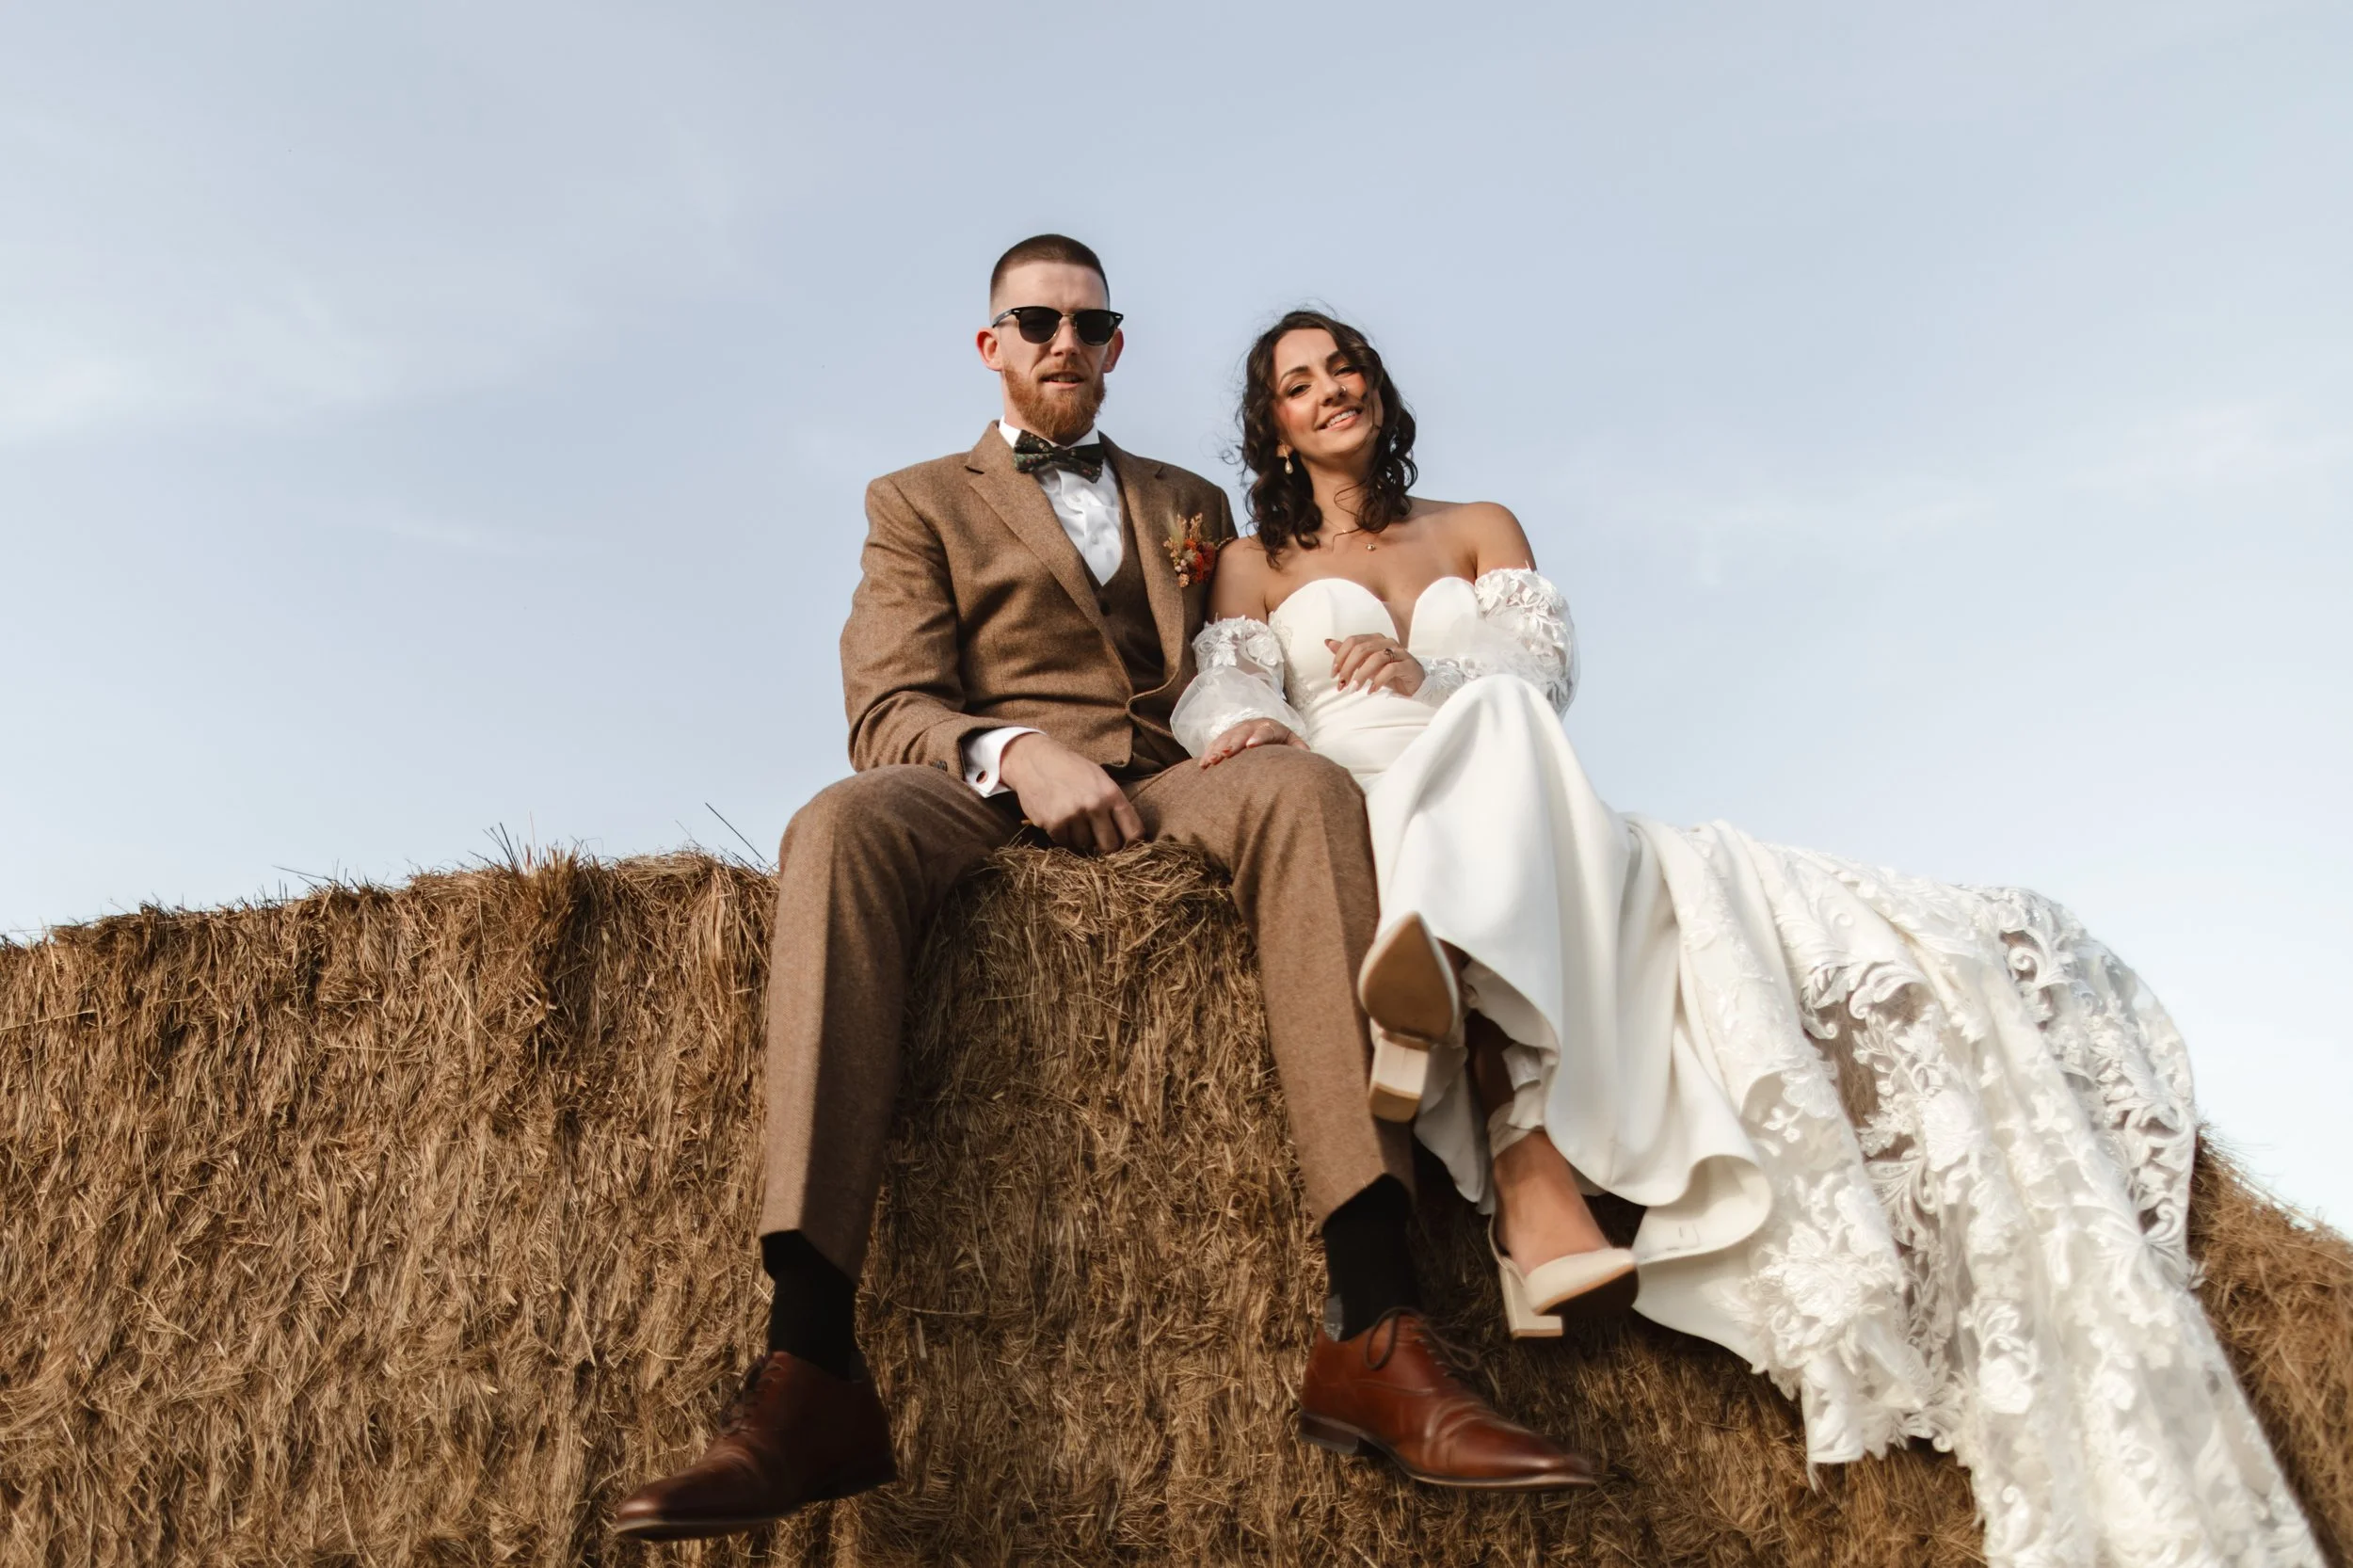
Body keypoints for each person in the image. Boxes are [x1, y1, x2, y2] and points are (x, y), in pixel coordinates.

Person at [1173, 308, 2326, 1568]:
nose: (1330, 389)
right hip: (1366, 791)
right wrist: (1259, 725)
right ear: (1274, 429)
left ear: (1380, 390)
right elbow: (1225, 692)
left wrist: (1430, 676)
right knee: (1433, 773)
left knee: (1500, 720)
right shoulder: (1255, 563)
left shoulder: (1480, 524)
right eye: (1299, 383)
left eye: (1345, 366)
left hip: (1505, 787)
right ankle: (1513, 1129)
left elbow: (1539, 672)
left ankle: (1440, 1005)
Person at [612, 247, 1597, 1542]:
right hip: (985, 786)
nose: (1063, 340)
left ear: (1117, 344)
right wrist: (1017, 751)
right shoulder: (915, 499)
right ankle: (807, 1366)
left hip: (1173, 776)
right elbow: (888, 707)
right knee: (835, 825)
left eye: (1090, 322)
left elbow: (1240, 663)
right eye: (1036, 321)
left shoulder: (1191, 504)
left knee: (1306, 792)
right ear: (993, 345)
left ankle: (1374, 1327)